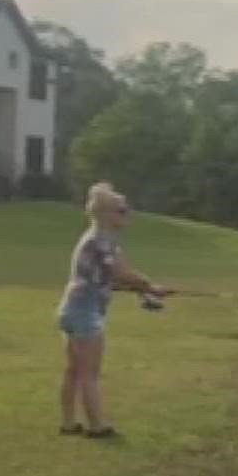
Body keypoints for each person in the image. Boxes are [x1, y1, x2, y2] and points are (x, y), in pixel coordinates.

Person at [57, 182, 169, 440]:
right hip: (84, 312)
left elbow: (110, 280)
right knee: (89, 373)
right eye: (121, 211)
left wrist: (144, 291)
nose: (127, 214)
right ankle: (97, 427)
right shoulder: (101, 241)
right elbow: (123, 273)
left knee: (74, 370)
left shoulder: (100, 240)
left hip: (73, 308)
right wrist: (149, 285)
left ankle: (69, 423)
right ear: (105, 214)